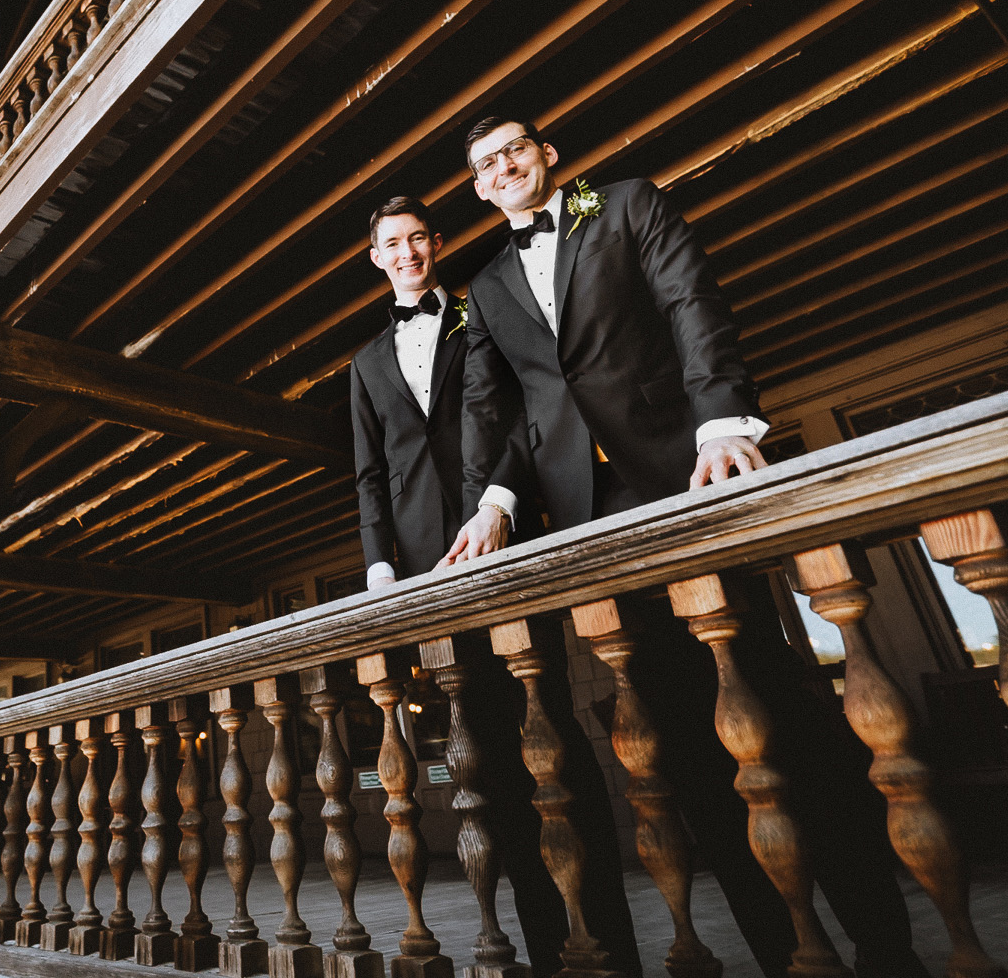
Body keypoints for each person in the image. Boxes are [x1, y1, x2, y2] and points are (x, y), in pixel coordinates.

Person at [449, 115, 928, 978]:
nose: (504, 167)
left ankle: (888, 949)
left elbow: (689, 301)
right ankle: (782, 953)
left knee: (782, 715)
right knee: (680, 740)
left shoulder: (628, 204)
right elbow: (501, 408)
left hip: (687, 479)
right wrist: (494, 504)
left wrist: (722, 426)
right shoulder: (482, 289)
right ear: (480, 189)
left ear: (548, 154)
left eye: (516, 149)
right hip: (594, 522)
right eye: (486, 165)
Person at [349, 194, 643, 977]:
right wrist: (383, 572)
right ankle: (546, 948)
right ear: (375, 257)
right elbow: (370, 476)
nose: (408, 253)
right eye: (392, 244)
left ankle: (610, 942)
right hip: (425, 576)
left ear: (436, 244)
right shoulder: (365, 362)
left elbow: (521, 416)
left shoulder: (482, 312)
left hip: (503, 544)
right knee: (482, 758)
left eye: (418, 239)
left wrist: (498, 507)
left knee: (551, 733)